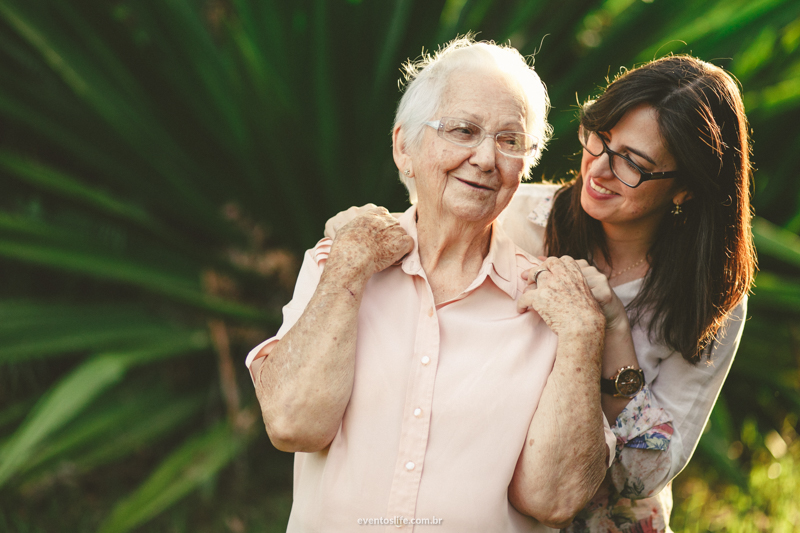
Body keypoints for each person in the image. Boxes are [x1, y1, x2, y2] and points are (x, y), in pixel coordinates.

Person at [328, 55, 755, 532]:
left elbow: (645, 477)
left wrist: (612, 329)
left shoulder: (710, 297)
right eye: (600, 139)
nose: (600, 169)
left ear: (686, 190)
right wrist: (356, 233)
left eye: (633, 163)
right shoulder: (516, 220)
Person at [245, 38, 617, 532]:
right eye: (463, 131)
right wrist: (349, 267)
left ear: (525, 164)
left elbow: (552, 499)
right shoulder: (340, 264)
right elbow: (292, 424)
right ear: (404, 147)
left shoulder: (554, 308)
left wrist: (583, 336)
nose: (486, 158)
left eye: (510, 141)